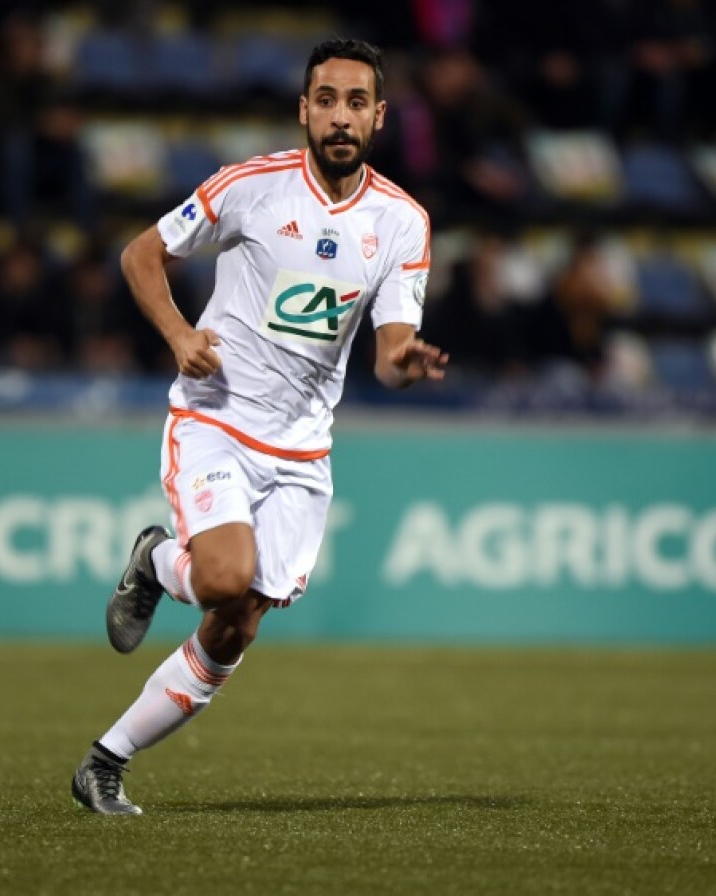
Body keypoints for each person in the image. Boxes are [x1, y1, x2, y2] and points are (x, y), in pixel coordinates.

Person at [71, 38, 449, 815]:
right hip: (217, 419)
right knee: (221, 577)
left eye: (355, 103)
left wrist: (405, 361)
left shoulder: (403, 223)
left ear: (379, 117)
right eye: (326, 100)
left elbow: (384, 356)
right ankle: (160, 563)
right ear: (303, 109)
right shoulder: (252, 188)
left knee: (235, 626)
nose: (339, 116)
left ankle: (105, 762)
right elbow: (141, 255)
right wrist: (180, 337)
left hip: (303, 449)